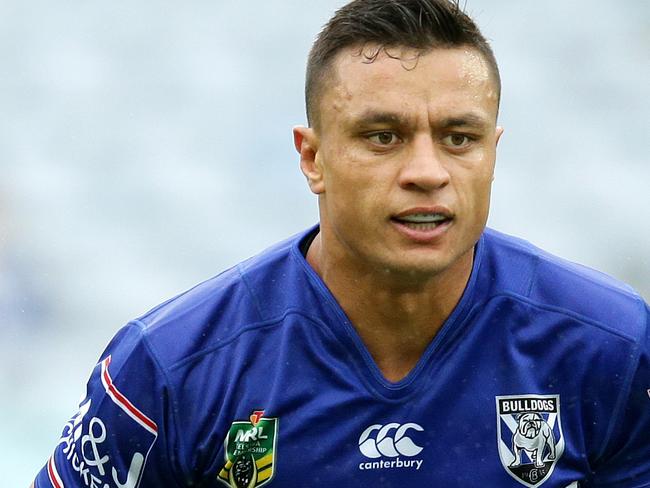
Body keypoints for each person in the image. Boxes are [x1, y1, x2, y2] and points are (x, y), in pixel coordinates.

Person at [32, 0, 649, 487]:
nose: (427, 171)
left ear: (494, 151)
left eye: (460, 137)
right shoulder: (170, 368)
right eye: (383, 137)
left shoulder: (614, 349)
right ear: (313, 157)